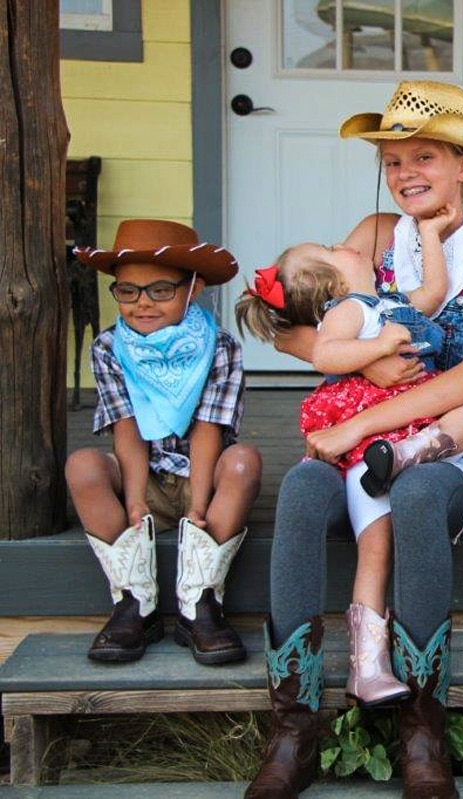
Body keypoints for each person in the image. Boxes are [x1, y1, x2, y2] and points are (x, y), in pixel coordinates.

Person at [244, 80, 463, 799]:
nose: (405, 174)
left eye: (424, 157)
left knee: (419, 490)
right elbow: (303, 330)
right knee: (306, 485)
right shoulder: (373, 236)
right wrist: (366, 363)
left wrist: (363, 422)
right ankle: (295, 723)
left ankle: (422, 729)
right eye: (394, 160)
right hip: (359, 437)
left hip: (454, 444)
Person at [65, 219, 262, 666]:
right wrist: (135, 502)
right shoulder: (109, 348)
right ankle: (134, 601)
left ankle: (200, 603)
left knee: (244, 461)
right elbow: (127, 426)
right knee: (81, 465)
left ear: (192, 289)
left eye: (160, 290)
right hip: (144, 478)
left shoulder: (220, 347)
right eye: (129, 291)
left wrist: (197, 505)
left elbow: (209, 428)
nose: (142, 304)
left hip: (200, 477)